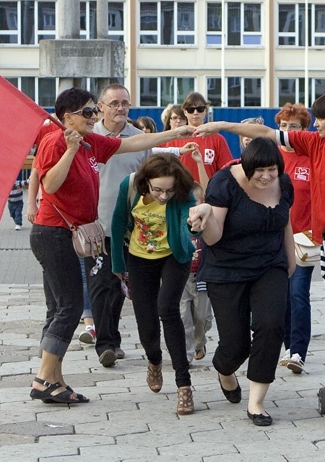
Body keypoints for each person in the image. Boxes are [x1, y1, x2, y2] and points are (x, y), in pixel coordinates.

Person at [28, 87, 194, 405]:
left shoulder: (91, 142)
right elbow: (49, 184)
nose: (94, 117)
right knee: (68, 308)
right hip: (53, 234)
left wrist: (174, 133)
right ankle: (43, 379)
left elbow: (131, 143)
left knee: (66, 306)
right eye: (88, 112)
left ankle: (54, 379)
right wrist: (69, 151)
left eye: (94, 111)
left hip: (72, 234)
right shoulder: (55, 141)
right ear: (68, 117)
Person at [193, 91, 325, 255]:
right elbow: (267, 133)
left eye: (320, 119)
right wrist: (222, 125)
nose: (315, 124)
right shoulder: (314, 142)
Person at [86, 84, 198, 368]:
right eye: (114, 103)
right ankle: (106, 343)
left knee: (126, 287)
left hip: (135, 228)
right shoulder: (90, 137)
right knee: (102, 284)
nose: (120, 108)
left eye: (125, 103)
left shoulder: (139, 139)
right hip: (97, 221)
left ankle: (119, 342)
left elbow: (155, 175)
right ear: (101, 107)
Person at [188, 137, 296, 426]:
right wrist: (202, 221)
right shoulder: (224, 183)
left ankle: (256, 402)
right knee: (236, 346)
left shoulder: (284, 184)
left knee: (271, 325)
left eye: (272, 169)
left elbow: (284, 222)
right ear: (245, 166)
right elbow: (214, 236)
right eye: (259, 170)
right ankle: (224, 369)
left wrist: (290, 259)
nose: (266, 176)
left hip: (269, 265)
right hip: (227, 269)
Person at [111, 153, 198, 415]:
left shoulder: (184, 191)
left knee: (167, 310)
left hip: (174, 254)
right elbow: (117, 224)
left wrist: (194, 227)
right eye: (157, 189)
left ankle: (184, 385)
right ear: (146, 182)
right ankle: (154, 360)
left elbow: (188, 222)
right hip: (139, 257)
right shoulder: (129, 186)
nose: (163, 196)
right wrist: (118, 265)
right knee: (145, 320)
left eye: (168, 190)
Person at [273, 103, 314, 374]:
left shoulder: (312, 157)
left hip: (303, 237)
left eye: (294, 127)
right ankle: (287, 346)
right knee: (280, 296)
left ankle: (297, 351)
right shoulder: (270, 157)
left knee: (298, 294)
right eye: (284, 126)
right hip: (273, 237)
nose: (288, 131)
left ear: (304, 130)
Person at [161, 93, 233, 184]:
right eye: (191, 110)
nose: (195, 113)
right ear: (185, 112)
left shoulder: (218, 139)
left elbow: (226, 171)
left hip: (208, 193)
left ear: (205, 111)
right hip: (180, 193)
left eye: (200, 109)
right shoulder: (174, 138)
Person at [180, 182, 213, 363]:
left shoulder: (207, 226)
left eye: (195, 205)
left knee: (202, 318)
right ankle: (186, 355)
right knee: (183, 317)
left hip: (201, 278)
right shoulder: (179, 225)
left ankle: (199, 341)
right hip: (182, 278)